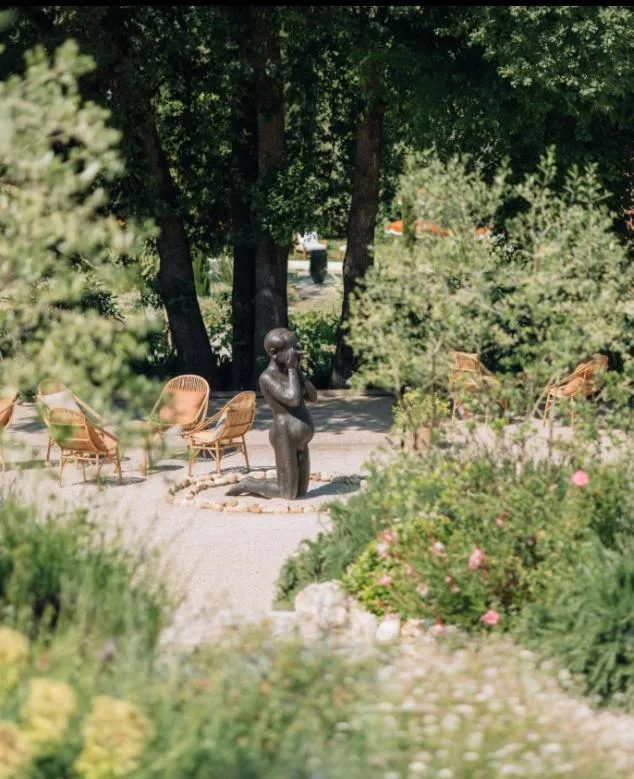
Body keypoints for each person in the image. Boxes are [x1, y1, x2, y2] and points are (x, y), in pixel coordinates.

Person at [226, 328, 317, 500]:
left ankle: (276, 482)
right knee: (287, 493)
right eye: (291, 350)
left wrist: (297, 371)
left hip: (301, 438)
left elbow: (313, 396)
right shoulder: (267, 377)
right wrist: (292, 370)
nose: (295, 353)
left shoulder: (293, 375)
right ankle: (250, 483)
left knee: (301, 491)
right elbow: (293, 398)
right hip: (285, 434)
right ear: (274, 353)